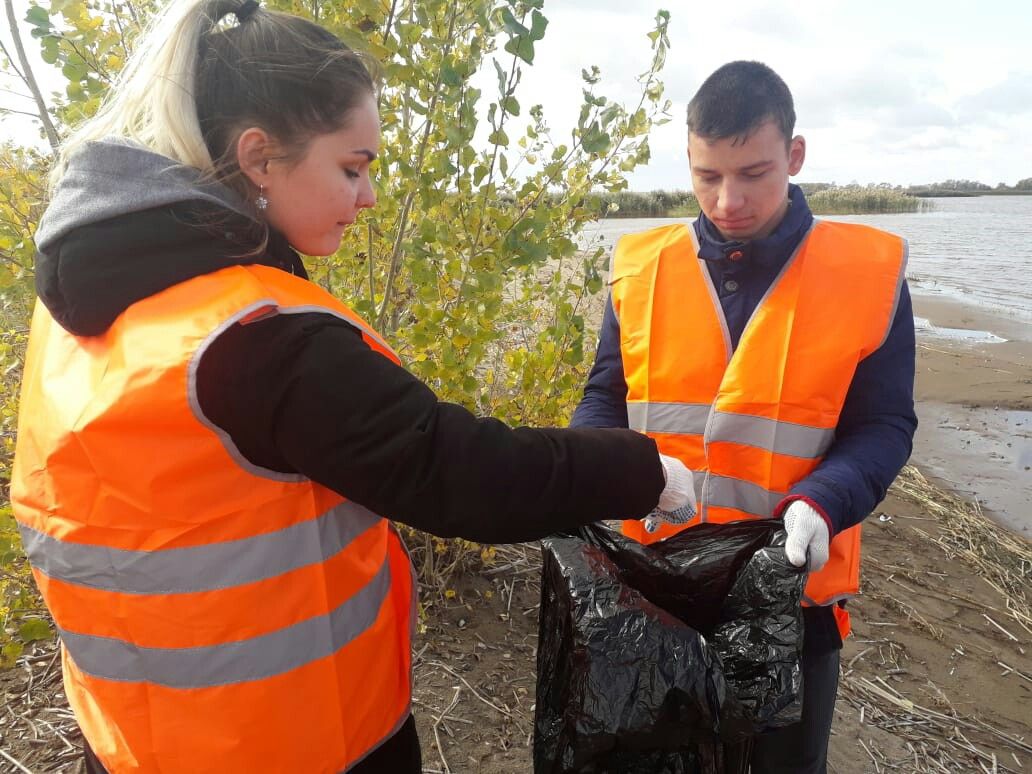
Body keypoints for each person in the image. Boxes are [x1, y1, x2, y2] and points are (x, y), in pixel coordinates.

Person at [9, 2, 697, 772]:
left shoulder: (83, 309)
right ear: (260, 158)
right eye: (352, 167)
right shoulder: (259, 339)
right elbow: (456, 471)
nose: (367, 198)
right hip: (294, 744)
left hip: (137, 742)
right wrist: (641, 470)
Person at [571, 60, 917, 773]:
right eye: (706, 177)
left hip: (793, 599)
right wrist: (590, 469)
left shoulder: (867, 275)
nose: (727, 199)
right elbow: (606, 396)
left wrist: (824, 502)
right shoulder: (641, 269)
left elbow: (883, 426)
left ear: (794, 156)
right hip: (656, 585)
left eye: (753, 174)